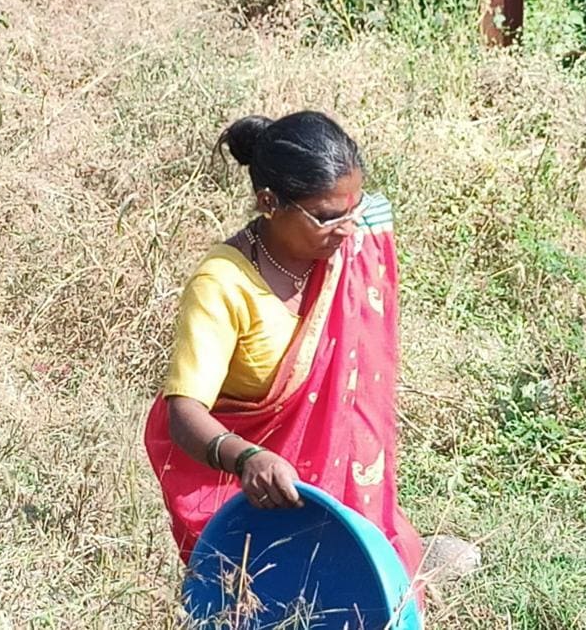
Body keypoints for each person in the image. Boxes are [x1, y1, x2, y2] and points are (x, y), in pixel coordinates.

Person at [143, 111, 424, 584]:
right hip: (245, 492)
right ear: (269, 202)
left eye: (354, 212)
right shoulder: (223, 285)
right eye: (329, 218)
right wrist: (247, 458)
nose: (349, 231)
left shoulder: (342, 253)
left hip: (340, 492)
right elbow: (183, 411)